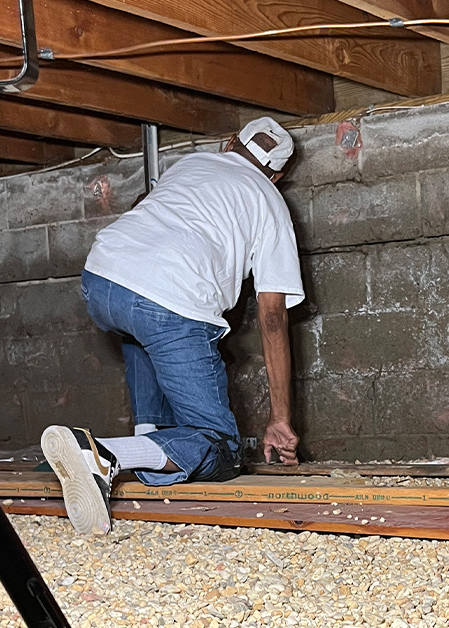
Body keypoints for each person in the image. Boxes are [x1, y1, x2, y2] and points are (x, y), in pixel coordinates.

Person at [41, 117, 304, 534]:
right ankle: (102, 455)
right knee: (221, 445)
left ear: (229, 142)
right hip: (169, 302)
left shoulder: (188, 165)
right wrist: (280, 418)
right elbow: (272, 316)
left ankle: (145, 442)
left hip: (102, 278)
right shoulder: (269, 200)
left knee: (140, 326)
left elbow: (145, 212)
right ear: (277, 174)